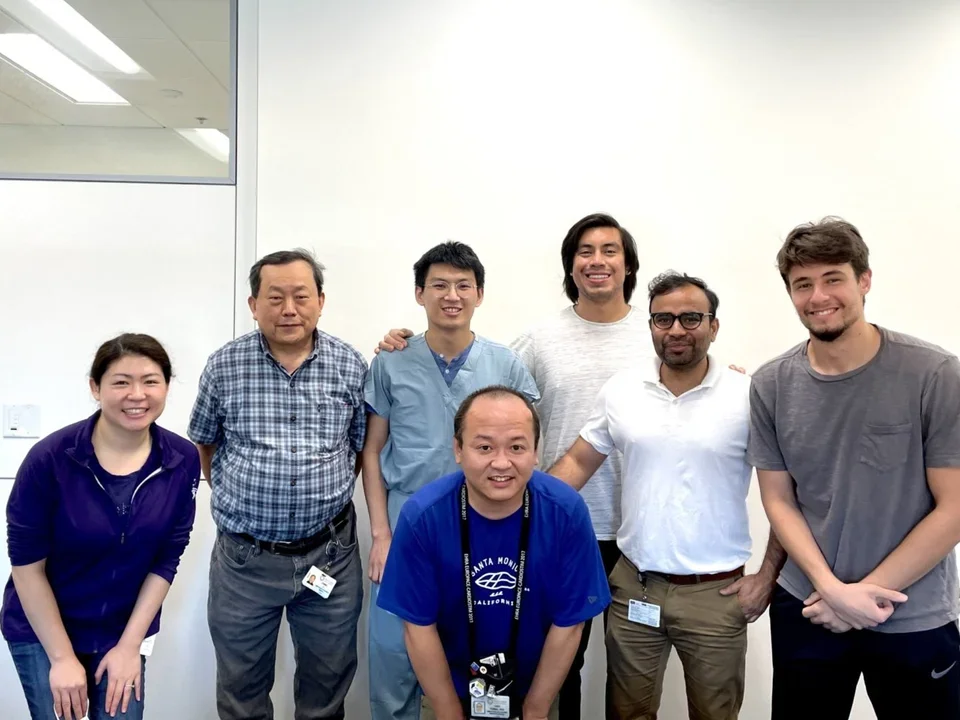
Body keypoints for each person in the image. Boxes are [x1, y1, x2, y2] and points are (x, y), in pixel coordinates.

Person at [377, 213, 649, 719]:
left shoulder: (654, 335)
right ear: (569, 267)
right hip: (541, 517)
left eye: (610, 250)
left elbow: (688, 367)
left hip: (631, 527)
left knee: (622, 671)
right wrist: (402, 343)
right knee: (537, 645)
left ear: (628, 264)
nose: (597, 261)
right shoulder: (540, 339)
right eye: (584, 251)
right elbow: (490, 401)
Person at [748, 217, 960, 720]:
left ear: (864, 280)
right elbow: (779, 499)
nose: (818, 296)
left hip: (914, 613)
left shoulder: (934, 374)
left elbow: (954, 508)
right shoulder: (771, 384)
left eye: (833, 278)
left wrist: (866, 599)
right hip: (809, 606)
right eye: (803, 284)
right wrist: (835, 592)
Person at [549, 272, 784, 720]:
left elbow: (787, 495)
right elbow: (578, 463)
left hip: (716, 595)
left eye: (690, 318)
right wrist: (514, 508)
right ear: (651, 326)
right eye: (663, 319)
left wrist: (766, 578)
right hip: (634, 586)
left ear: (714, 326)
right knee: (626, 714)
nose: (676, 330)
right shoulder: (622, 390)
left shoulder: (747, 397)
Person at [363, 242, 539, 720]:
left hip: (486, 524)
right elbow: (373, 450)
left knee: (485, 648)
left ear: (480, 294)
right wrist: (381, 534)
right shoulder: (391, 362)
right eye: (439, 285)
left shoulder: (503, 365)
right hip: (405, 523)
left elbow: (524, 446)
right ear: (420, 293)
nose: (451, 295)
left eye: (463, 285)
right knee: (392, 649)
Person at [188, 249, 367, 720]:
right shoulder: (224, 366)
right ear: (253, 304)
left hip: (329, 555)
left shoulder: (350, 365)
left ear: (321, 301)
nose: (289, 309)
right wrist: (237, 494)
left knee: (326, 686)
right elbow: (203, 445)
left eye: (301, 296)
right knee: (241, 689)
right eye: (275, 297)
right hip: (245, 560)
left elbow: (360, 449)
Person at [377, 386, 611, 720]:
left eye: (517, 447)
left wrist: (536, 708)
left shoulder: (565, 511)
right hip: (449, 691)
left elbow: (570, 623)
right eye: (484, 447)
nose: (501, 463)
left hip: (538, 689)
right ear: (458, 449)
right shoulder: (423, 515)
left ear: (535, 452)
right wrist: (447, 710)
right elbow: (418, 627)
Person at [3, 333, 200, 720]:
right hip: (44, 631)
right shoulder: (50, 460)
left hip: (122, 630)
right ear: (96, 387)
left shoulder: (182, 459)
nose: (137, 394)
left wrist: (130, 647)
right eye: (121, 382)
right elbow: (26, 570)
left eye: (150, 381)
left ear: (166, 386)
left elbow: (166, 558)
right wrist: (61, 658)